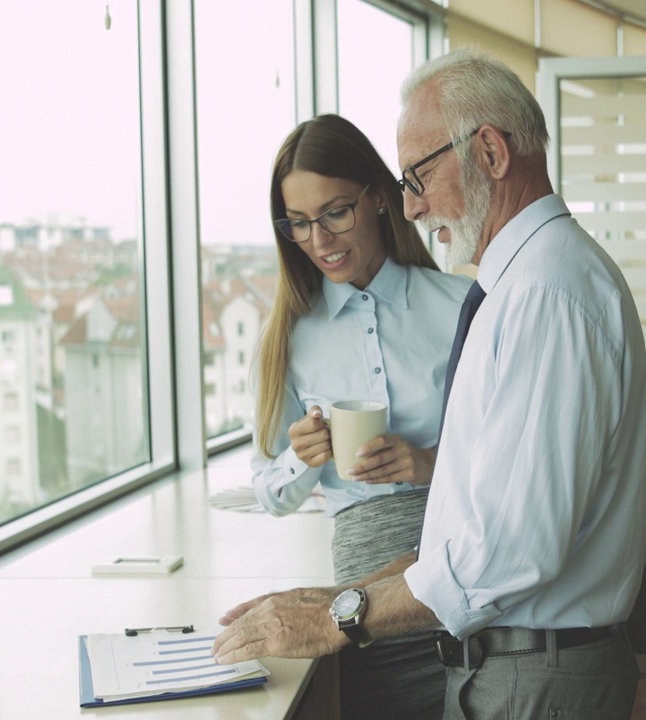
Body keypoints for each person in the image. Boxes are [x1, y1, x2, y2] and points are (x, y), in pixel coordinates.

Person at [214, 49, 646, 720]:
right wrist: (336, 593)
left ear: (490, 154)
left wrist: (339, 617)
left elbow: (512, 549)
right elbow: (483, 521)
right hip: (500, 656)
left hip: (532, 668)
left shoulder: (545, 296)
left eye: (418, 176)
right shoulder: (520, 288)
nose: (412, 206)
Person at [247, 113, 472, 718]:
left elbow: (505, 455)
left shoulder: (461, 307)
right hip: (363, 593)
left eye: (334, 212)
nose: (319, 239)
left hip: (459, 561)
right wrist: (302, 454)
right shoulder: (287, 338)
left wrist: (427, 463)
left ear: (378, 198)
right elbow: (268, 492)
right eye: (299, 223)